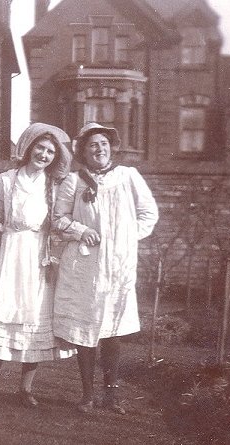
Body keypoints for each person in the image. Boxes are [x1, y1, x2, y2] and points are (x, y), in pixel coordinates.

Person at [52, 122, 158, 414]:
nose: (99, 149)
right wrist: (80, 230)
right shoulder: (74, 181)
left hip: (117, 265)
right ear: (83, 151)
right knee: (86, 330)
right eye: (92, 145)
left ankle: (111, 396)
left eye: (103, 144)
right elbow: (58, 219)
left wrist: (123, 238)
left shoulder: (128, 176)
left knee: (112, 329)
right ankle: (87, 395)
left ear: (111, 147)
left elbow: (149, 214)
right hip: (84, 265)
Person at [0, 123, 74, 411]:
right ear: (29, 147)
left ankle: (26, 389)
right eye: (40, 147)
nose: (44, 154)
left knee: (34, 320)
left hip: (38, 259)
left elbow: (63, 225)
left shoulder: (54, 185)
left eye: (51, 151)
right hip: (8, 255)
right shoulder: (6, 179)